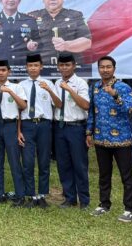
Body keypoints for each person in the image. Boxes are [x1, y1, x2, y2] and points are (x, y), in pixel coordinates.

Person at [86, 56, 132, 222]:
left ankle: (129, 208)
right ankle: (104, 204)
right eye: (102, 67)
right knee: (104, 174)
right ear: (98, 69)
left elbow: (129, 109)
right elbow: (91, 111)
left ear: (114, 68)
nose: (105, 70)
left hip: (121, 139)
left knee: (126, 175)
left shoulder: (123, 87)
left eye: (108, 67)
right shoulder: (95, 87)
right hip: (101, 137)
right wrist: (89, 132)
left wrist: (115, 96)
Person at [51, 52, 91, 209]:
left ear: (74, 66)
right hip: (60, 127)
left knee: (79, 164)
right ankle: (70, 197)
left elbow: (86, 105)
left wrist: (70, 90)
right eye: (61, 65)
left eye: (67, 65)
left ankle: (84, 200)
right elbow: (57, 104)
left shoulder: (81, 83)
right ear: (58, 67)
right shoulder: (56, 83)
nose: (64, 68)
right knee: (63, 164)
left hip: (76, 127)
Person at [0, 59, 28, 206]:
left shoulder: (16, 87)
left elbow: (23, 106)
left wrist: (10, 92)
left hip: (10, 126)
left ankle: (20, 195)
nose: (0, 73)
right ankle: (0, 194)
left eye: (3, 70)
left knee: (14, 161)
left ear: (8, 72)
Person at [17, 54, 54, 208]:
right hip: (27, 125)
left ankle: (42, 195)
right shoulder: (21, 85)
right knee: (28, 161)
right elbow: (18, 110)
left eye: (36, 65)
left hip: (44, 125)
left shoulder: (49, 83)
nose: (33, 68)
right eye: (30, 66)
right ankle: (31, 195)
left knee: (44, 161)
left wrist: (49, 90)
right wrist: (18, 130)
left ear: (41, 67)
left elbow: (57, 104)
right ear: (26, 67)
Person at [28, 0, 91, 66]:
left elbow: (87, 42)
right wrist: (29, 44)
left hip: (71, 68)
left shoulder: (75, 16)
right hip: (40, 69)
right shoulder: (32, 17)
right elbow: (20, 42)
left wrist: (66, 45)